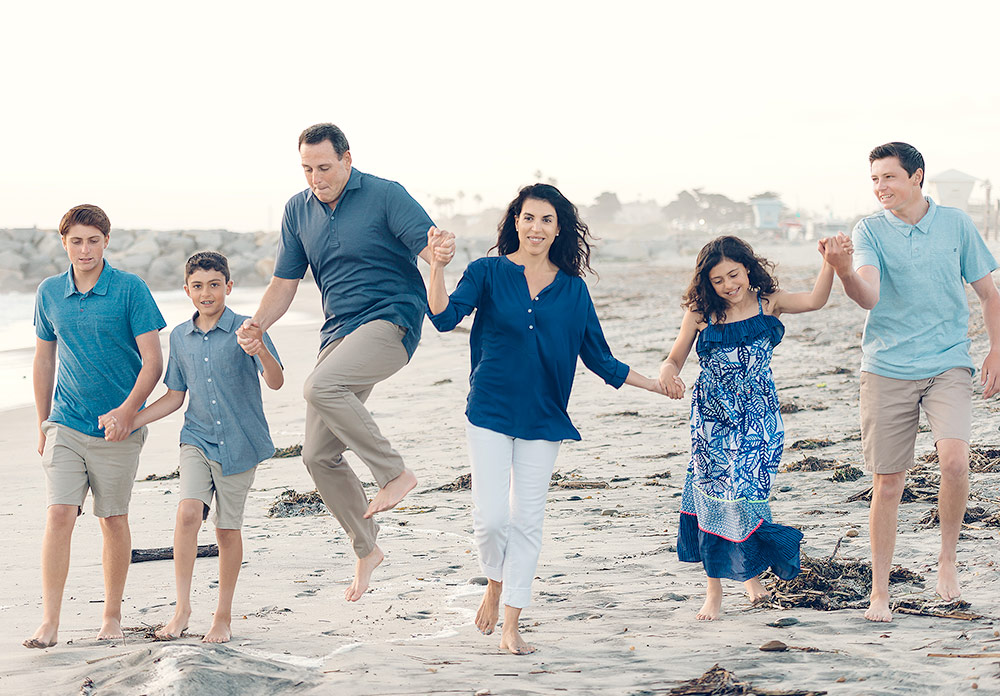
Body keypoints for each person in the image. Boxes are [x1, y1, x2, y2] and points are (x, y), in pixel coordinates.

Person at [426, 183, 666, 655]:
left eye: (547, 220)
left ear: (559, 230)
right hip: (489, 410)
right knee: (492, 520)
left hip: (544, 417)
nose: (537, 227)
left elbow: (600, 359)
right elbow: (442, 317)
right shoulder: (487, 272)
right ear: (516, 221)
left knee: (527, 520)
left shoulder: (573, 291)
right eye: (529, 217)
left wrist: (654, 383)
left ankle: (512, 622)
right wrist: (436, 267)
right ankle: (494, 582)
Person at [236, 123, 449, 602]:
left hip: (391, 319)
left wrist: (438, 253)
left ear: (347, 160)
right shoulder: (298, 210)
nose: (316, 177)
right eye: (308, 169)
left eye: (325, 167)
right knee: (317, 456)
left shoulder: (385, 194)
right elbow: (285, 284)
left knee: (320, 387)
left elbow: (427, 246)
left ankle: (393, 472)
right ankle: (366, 547)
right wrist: (257, 323)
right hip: (338, 332)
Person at [822, 142, 1000, 623]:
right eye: (875, 180)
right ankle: (880, 590)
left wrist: (996, 349)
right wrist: (841, 272)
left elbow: (988, 292)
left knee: (957, 461)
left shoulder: (957, 224)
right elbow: (869, 295)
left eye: (889, 178)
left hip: (948, 362)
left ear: (917, 176)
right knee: (888, 481)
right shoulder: (869, 230)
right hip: (886, 367)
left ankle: (947, 559)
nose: (880, 188)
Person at [658, 235, 845, 621]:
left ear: (747, 269)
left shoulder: (768, 302)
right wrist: (667, 372)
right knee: (713, 497)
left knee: (749, 493)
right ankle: (714, 588)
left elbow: (815, 300)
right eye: (718, 280)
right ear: (706, 283)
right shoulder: (701, 313)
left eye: (733, 275)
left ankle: (749, 573)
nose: (728, 285)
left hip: (759, 417)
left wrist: (829, 262)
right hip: (712, 419)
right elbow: (675, 357)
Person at [107, 252, 283, 643]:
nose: (207, 293)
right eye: (198, 286)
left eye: (215, 285)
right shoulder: (180, 338)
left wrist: (261, 351)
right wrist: (130, 419)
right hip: (197, 438)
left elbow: (275, 382)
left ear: (229, 287)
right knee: (188, 513)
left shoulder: (247, 328)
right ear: (187, 290)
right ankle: (182, 609)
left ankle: (222, 616)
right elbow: (174, 396)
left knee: (226, 529)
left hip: (242, 443)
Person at [24, 204, 165, 649]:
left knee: (113, 519)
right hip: (65, 422)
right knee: (59, 514)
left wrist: (128, 412)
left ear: (107, 241)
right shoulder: (49, 292)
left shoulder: (130, 290)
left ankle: (111, 616)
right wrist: (42, 420)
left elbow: (153, 362)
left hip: (117, 430)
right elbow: (44, 357)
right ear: (63, 242)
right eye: (76, 240)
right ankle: (49, 621)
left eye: (93, 240)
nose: (84, 249)